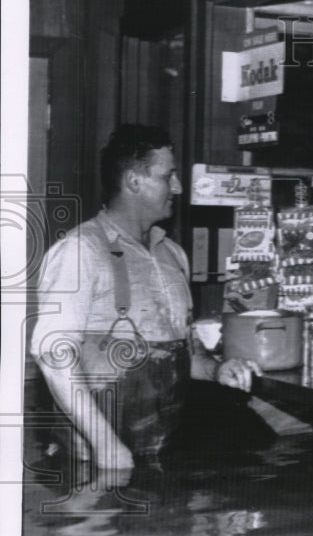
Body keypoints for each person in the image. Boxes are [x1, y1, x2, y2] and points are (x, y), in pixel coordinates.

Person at [30, 125, 260, 473]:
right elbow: (51, 354)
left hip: (161, 459)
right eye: (168, 176)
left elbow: (185, 354)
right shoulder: (81, 251)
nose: (178, 187)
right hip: (92, 466)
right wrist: (105, 446)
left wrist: (217, 370)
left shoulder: (174, 256)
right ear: (134, 182)